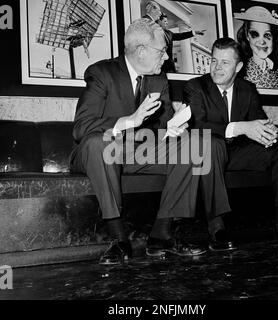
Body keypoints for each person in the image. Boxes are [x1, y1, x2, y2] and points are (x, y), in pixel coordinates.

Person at [70, 18, 208, 265]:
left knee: (193, 144)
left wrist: (174, 129)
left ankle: (161, 235)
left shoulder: (159, 79)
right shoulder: (102, 73)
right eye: (162, 51)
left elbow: (163, 128)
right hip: (99, 152)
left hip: (138, 152)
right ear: (141, 50)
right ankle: (119, 239)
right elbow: (81, 128)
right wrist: (129, 120)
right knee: (97, 143)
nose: (166, 58)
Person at [183, 37, 278, 251]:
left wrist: (268, 133)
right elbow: (197, 125)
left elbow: (258, 120)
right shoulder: (195, 87)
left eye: (225, 63)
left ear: (239, 66)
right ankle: (216, 227)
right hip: (208, 155)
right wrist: (241, 127)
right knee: (211, 145)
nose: (217, 67)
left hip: (238, 152)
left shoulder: (247, 89)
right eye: (214, 61)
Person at [234, 6, 278, 89]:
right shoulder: (240, 70)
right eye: (255, 34)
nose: (262, 42)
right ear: (247, 36)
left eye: (267, 35)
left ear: (274, 38)